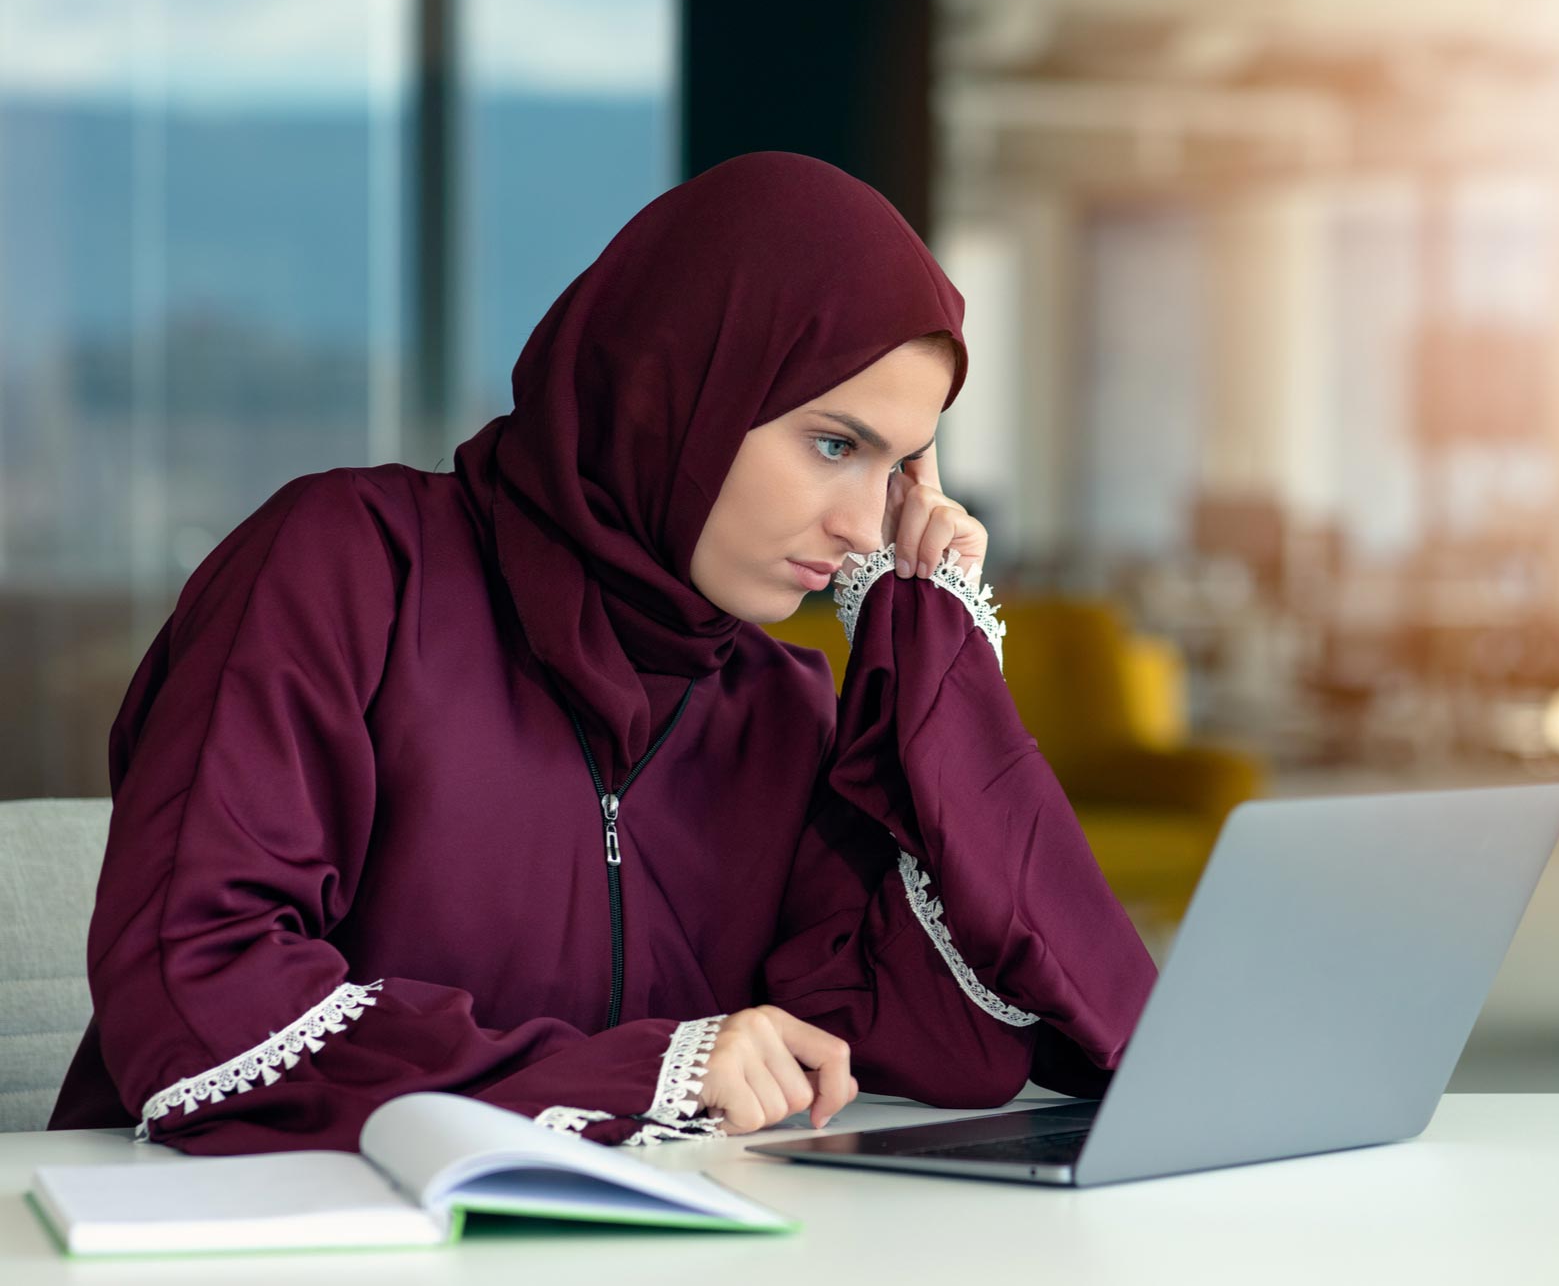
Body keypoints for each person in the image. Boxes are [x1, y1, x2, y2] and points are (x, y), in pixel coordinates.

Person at [47, 151, 1159, 1155]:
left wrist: (933, 642)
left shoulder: (775, 705)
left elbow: (961, 1043)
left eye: (899, 470)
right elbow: (197, 994)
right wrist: (644, 1075)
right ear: (679, 385)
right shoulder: (344, 568)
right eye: (832, 444)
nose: (865, 527)